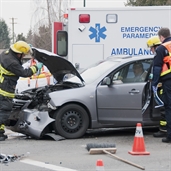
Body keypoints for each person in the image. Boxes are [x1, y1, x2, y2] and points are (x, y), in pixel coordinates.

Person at [0, 41, 43, 141]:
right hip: (4, 89)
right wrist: (36, 68)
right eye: (23, 54)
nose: (23, 56)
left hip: (2, 85)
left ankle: (1, 132)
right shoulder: (12, 62)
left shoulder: (6, 54)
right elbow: (24, 72)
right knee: (4, 111)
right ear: (18, 53)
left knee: (2, 111)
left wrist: (27, 49)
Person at [152, 27, 171, 143]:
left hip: (168, 81)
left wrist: (154, 83)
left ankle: (170, 136)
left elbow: (157, 67)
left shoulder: (162, 48)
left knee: (169, 108)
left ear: (161, 37)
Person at [147, 36, 167, 138]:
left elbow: (157, 70)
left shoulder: (159, 56)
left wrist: (154, 83)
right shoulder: (164, 55)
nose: (151, 50)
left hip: (164, 85)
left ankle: (164, 130)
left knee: (164, 108)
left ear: (156, 46)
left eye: (151, 47)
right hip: (164, 84)